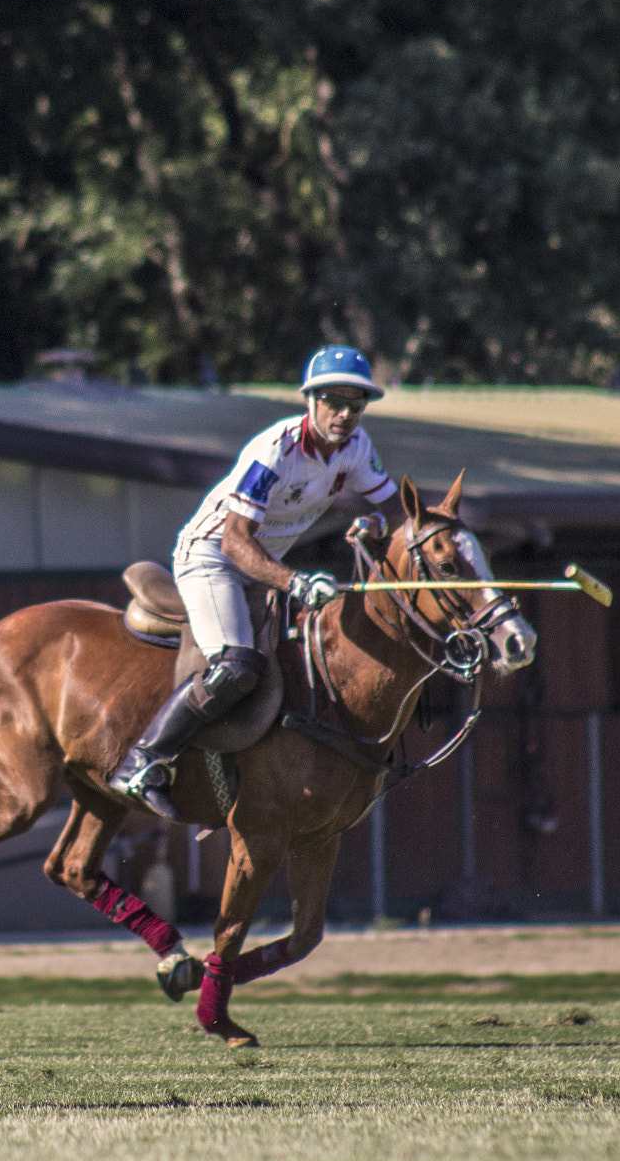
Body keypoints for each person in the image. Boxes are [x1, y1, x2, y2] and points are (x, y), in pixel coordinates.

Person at [112, 345, 408, 820]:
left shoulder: (357, 447)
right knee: (236, 665)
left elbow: (396, 511)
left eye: (356, 404)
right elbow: (234, 542)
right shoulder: (275, 450)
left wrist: (376, 526)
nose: (345, 414)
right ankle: (143, 761)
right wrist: (294, 581)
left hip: (260, 562)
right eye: (333, 400)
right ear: (310, 400)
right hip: (212, 557)